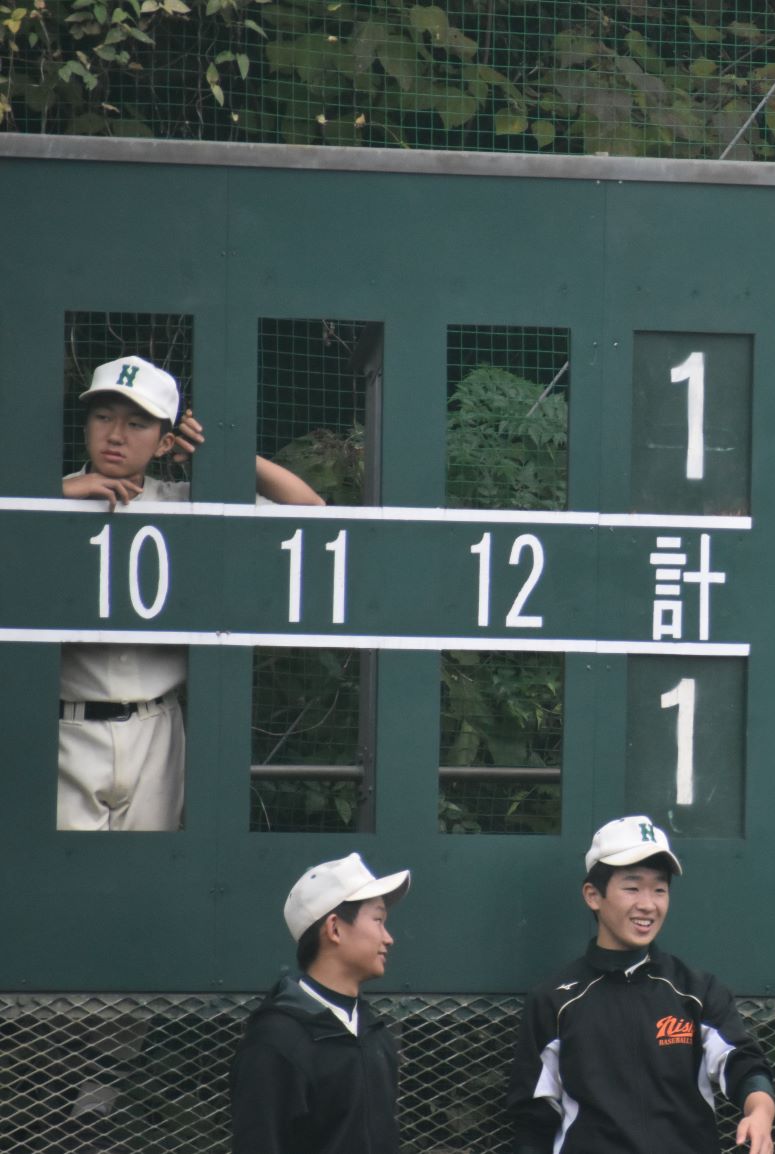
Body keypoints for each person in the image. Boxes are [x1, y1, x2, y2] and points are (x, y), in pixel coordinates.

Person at [58, 354, 325, 831]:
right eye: (103, 417)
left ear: (165, 442)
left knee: (148, 871)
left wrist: (226, 452)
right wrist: (57, 497)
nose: (115, 435)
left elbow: (311, 512)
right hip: (63, 725)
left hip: (155, 725)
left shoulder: (187, 503)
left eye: (137, 423)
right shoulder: (43, 498)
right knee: (59, 870)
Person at [506, 816, 775, 1154]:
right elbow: (533, 1118)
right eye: (632, 888)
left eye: (659, 889)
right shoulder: (553, 1000)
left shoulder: (697, 991)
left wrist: (760, 1111)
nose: (648, 904)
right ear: (593, 895)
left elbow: (742, 1062)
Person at [231, 852, 412, 1154]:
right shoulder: (275, 1043)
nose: (388, 938)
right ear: (334, 928)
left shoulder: (376, 1036)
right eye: (378, 920)